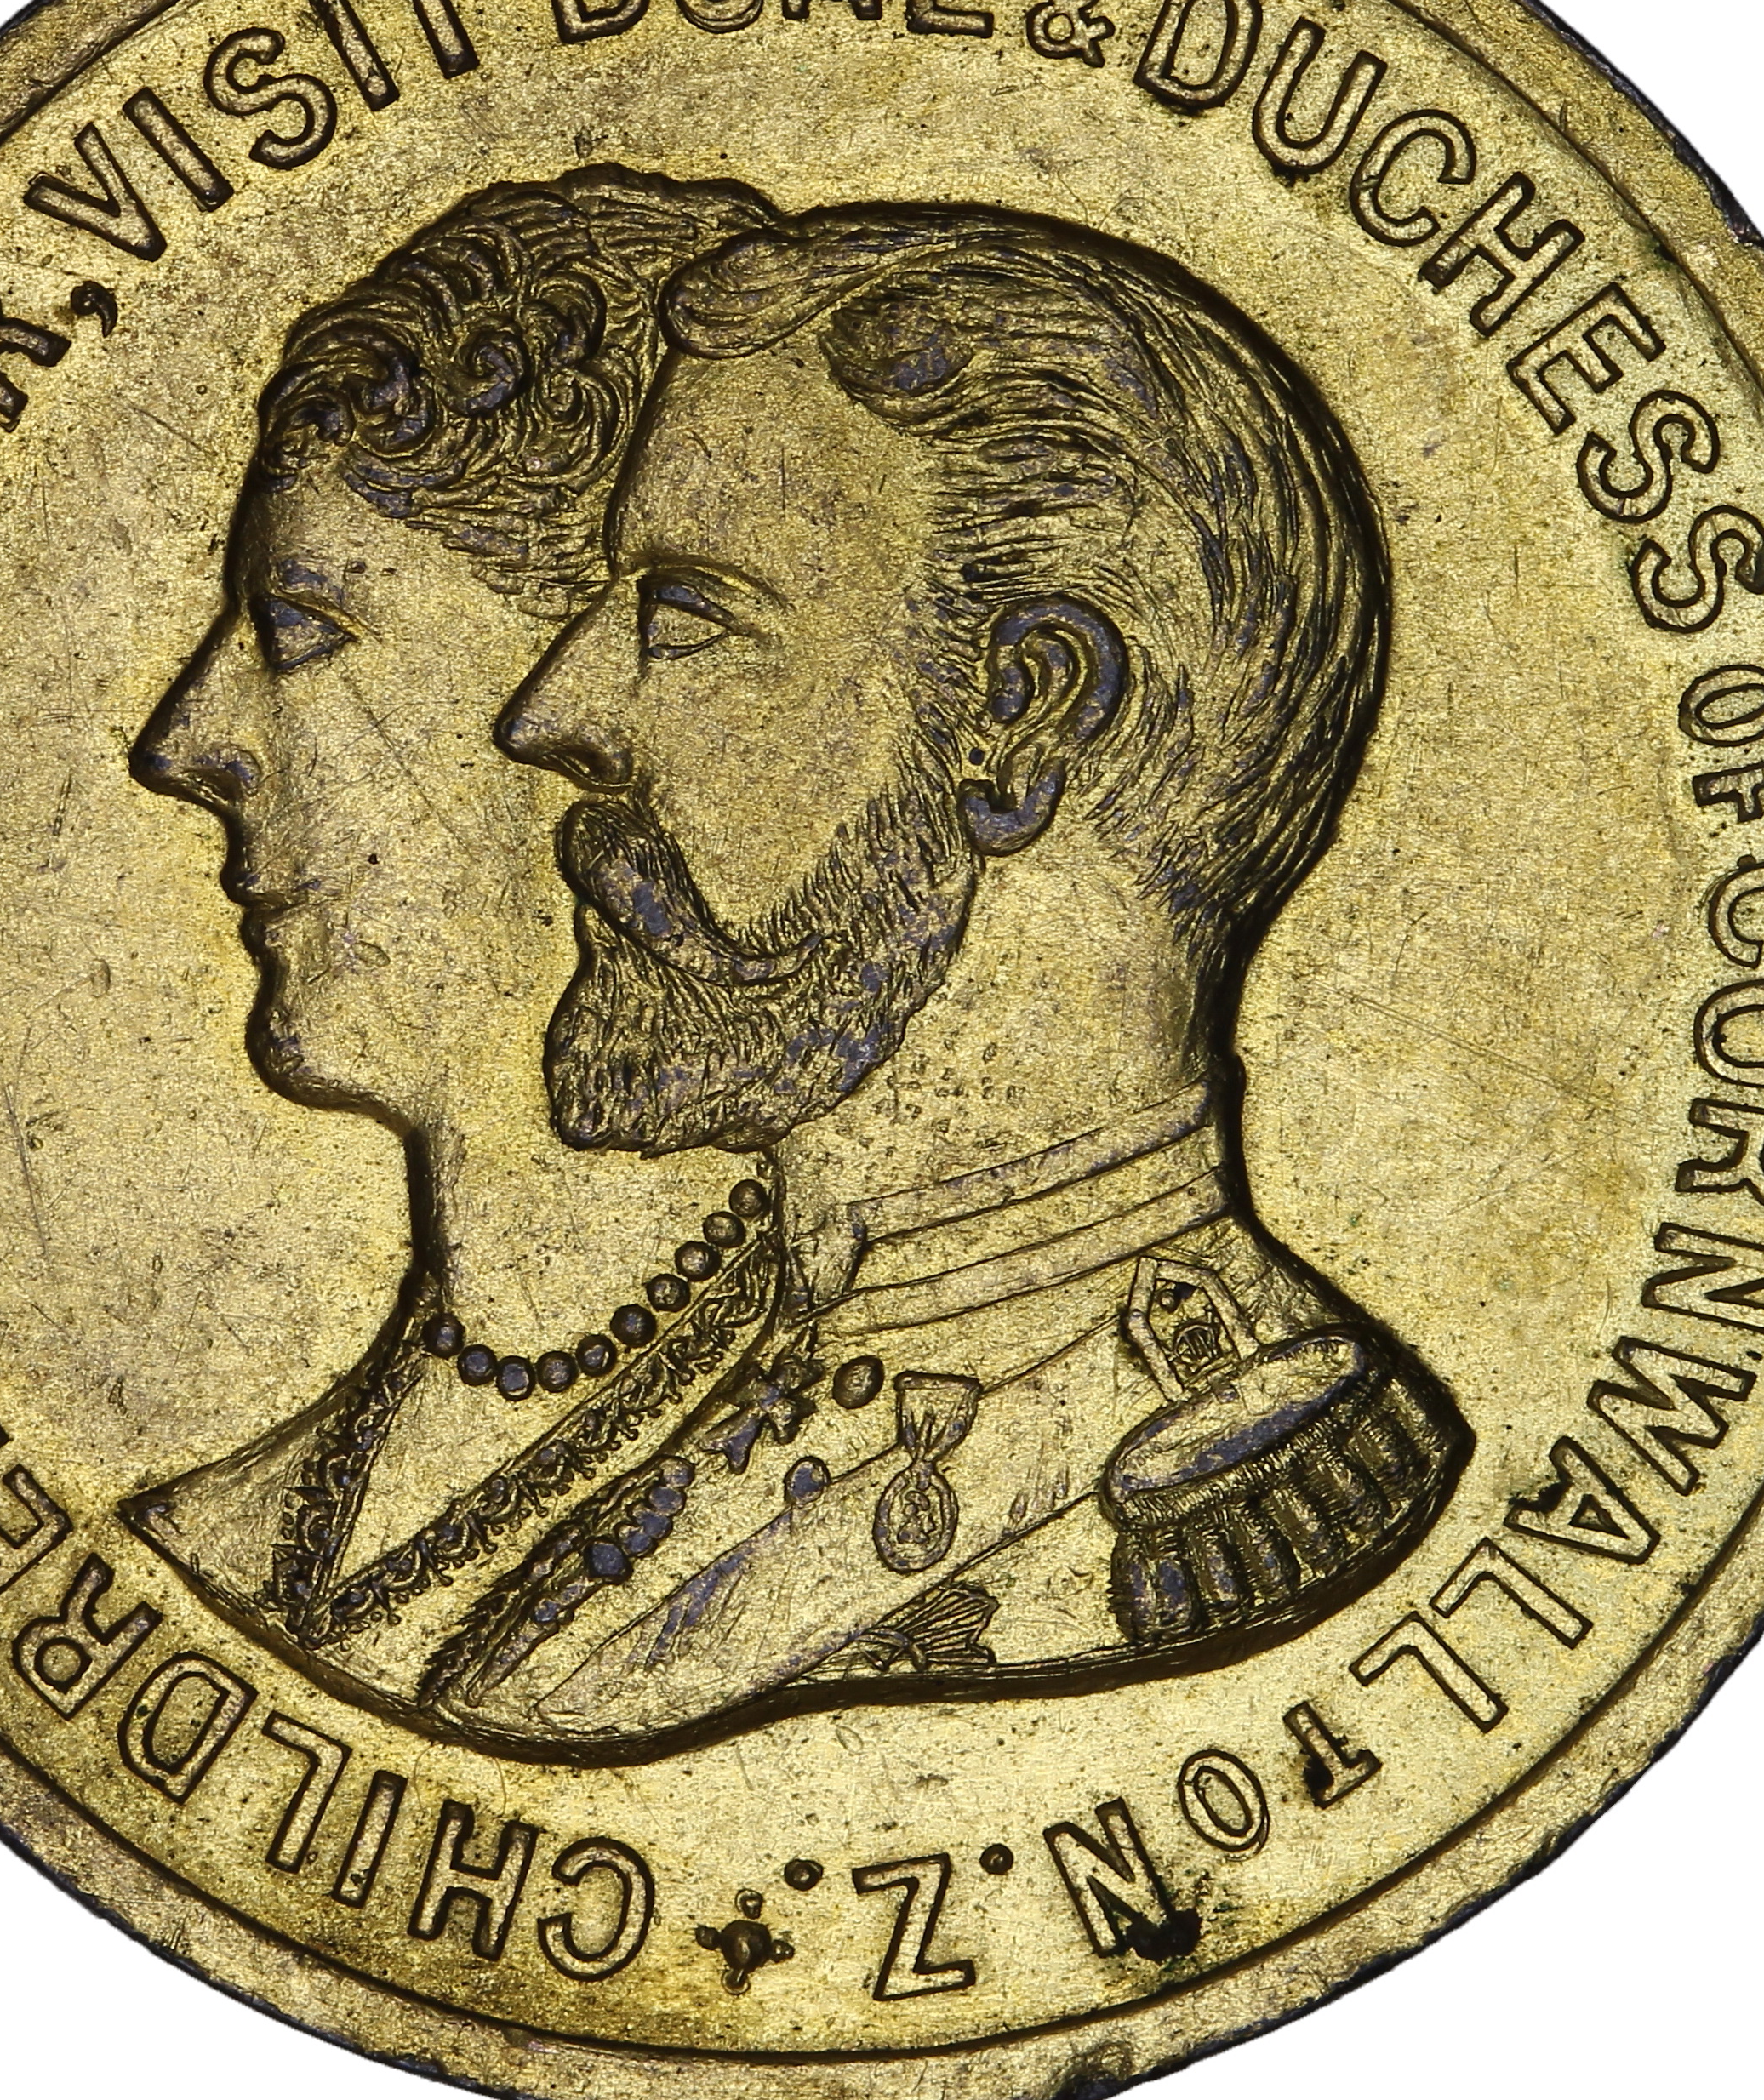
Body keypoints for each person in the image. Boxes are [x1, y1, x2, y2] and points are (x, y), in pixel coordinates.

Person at [436, 205, 1469, 1752]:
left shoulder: (1229, 1485)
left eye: (685, 613)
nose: (548, 711)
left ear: (1020, 716)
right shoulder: (778, 1382)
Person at [118, 168, 789, 1717]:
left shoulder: (894, 1472)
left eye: (301, 628)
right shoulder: (218, 1539)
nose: (184, 740)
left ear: (608, 694)